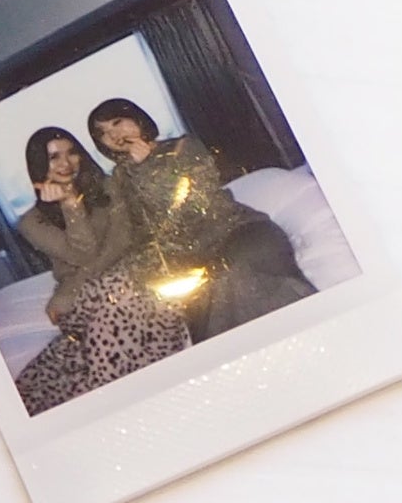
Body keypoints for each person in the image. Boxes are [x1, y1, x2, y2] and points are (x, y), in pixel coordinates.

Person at [86, 99, 314, 341]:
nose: (113, 135)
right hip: (197, 258)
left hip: (240, 233)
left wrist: (145, 166)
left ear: (137, 119)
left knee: (233, 277)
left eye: (117, 122)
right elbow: (138, 230)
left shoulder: (184, 147)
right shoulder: (120, 178)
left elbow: (192, 204)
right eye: (103, 133)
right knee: (205, 300)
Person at [6, 127, 191, 414]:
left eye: (72, 153)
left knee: (118, 289)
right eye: (54, 157)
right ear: (40, 165)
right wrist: (70, 204)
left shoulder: (110, 188)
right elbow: (84, 253)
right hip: (85, 303)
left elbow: (123, 242)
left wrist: (69, 292)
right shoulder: (31, 222)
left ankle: (112, 401)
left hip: (120, 283)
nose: (65, 163)